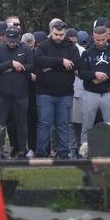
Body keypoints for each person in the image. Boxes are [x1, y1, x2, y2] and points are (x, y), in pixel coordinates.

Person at [34, 20, 80, 158]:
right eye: (56, 34)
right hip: (45, 92)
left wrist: (51, 66)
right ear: (51, 32)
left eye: (61, 34)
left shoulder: (71, 47)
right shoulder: (43, 46)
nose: (58, 37)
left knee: (63, 124)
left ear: (65, 33)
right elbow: (39, 61)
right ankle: (42, 152)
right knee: (44, 123)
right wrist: (61, 62)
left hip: (65, 93)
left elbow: (76, 64)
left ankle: (63, 152)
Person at [0, 26, 33, 157]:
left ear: (18, 38)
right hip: (2, 94)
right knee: (0, 123)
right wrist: (10, 63)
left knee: (21, 123)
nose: (12, 43)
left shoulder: (25, 48)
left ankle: (21, 149)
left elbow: (31, 66)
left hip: (21, 94)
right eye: (9, 40)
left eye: (14, 41)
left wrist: (19, 67)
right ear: (5, 38)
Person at [78, 26, 110, 144]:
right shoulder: (87, 53)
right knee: (87, 124)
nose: (101, 42)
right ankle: (84, 150)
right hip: (90, 93)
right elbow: (81, 73)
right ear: (93, 37)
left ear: (107, 37)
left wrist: (104, 76)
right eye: (98, 40)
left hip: (109, 92)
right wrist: (94, 75)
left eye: (103, 39)